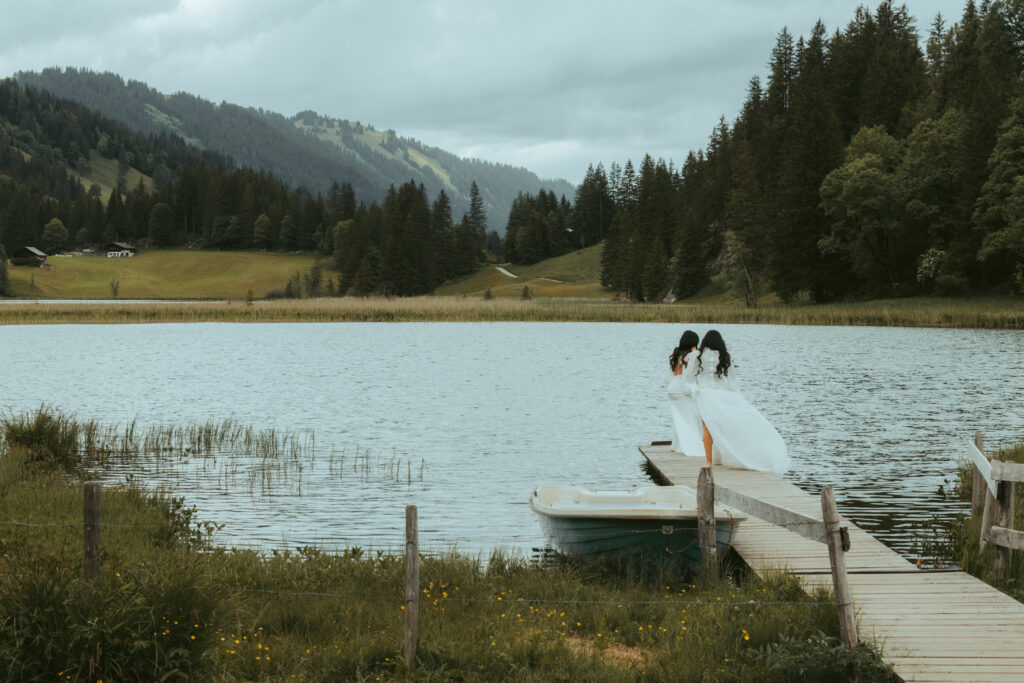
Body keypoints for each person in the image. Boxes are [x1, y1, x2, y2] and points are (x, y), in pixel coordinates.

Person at [678, 330, 789, 474]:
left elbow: (689, 377)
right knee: (720, 425)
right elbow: (732, 381)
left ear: (704, 341)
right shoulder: (724, 356)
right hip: (721, 394)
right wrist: (735, 396)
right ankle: (718, 457)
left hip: (705, 394)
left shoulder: (697, 355)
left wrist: (691, 389)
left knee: (707, 427)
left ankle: (709, 461)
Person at [665, 330, 703, 457]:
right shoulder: (688, 356)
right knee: (691, 417)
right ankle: (687, 445)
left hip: (672, 387)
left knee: (680, 417)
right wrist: (691, 390)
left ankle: (675, 445)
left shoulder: (676, 354)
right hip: (680, 388)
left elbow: (669, 376)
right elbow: (686, 376)